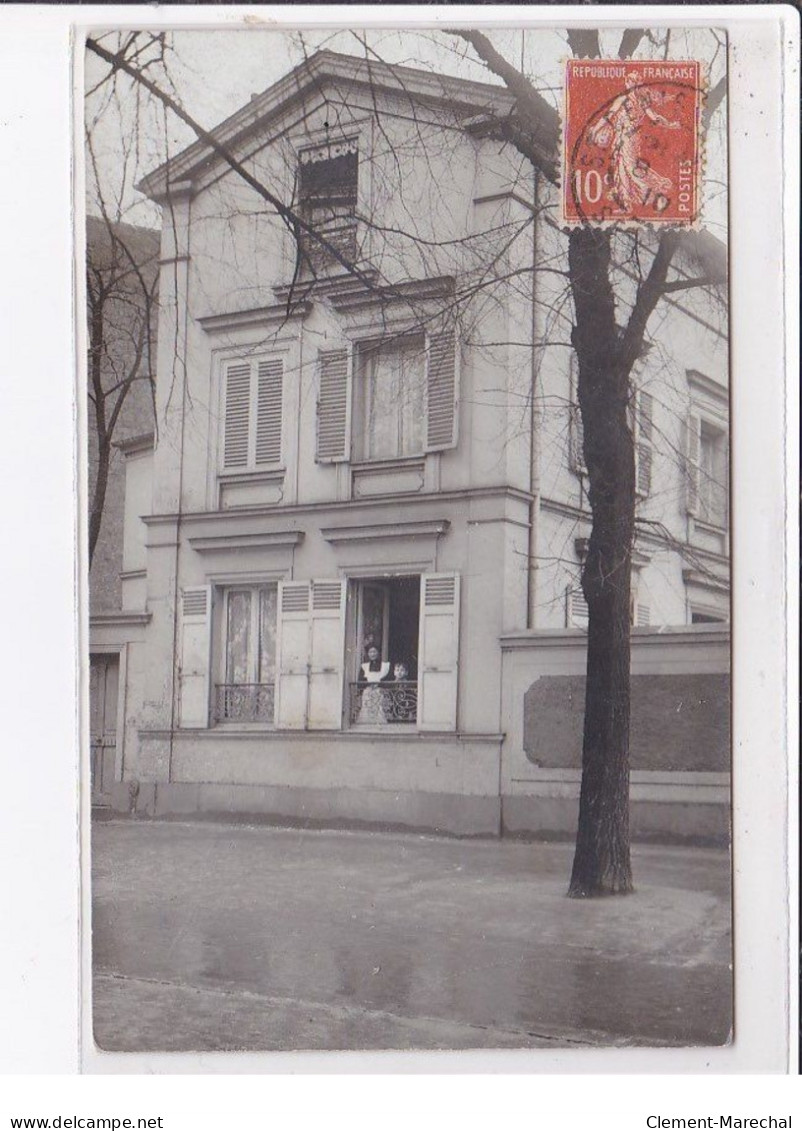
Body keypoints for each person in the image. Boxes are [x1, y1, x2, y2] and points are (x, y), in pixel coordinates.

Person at [588, 72, 681, 214]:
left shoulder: (628, 98)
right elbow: (654, 117)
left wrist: (595, 129)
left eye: (633, 81)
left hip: (628, 138)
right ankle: (626, 205)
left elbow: (609, 117)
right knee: (622, 169)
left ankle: (656, 191)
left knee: (630, 169)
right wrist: (670, 125)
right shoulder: (639, 99)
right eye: (631, 81)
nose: (631, 84)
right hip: (625, 137)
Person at [355, 644, 390, 725]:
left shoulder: (385, 666)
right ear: (368, 654)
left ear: (378, 653)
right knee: (367, 710)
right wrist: (368, 683)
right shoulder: (364, 666)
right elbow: (360, 681)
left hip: (379, 692)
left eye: (374, 652)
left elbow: (388, 680)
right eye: (370, 652)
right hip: (368, 692)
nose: (373, 654)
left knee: (379, 710)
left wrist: (379, 684)